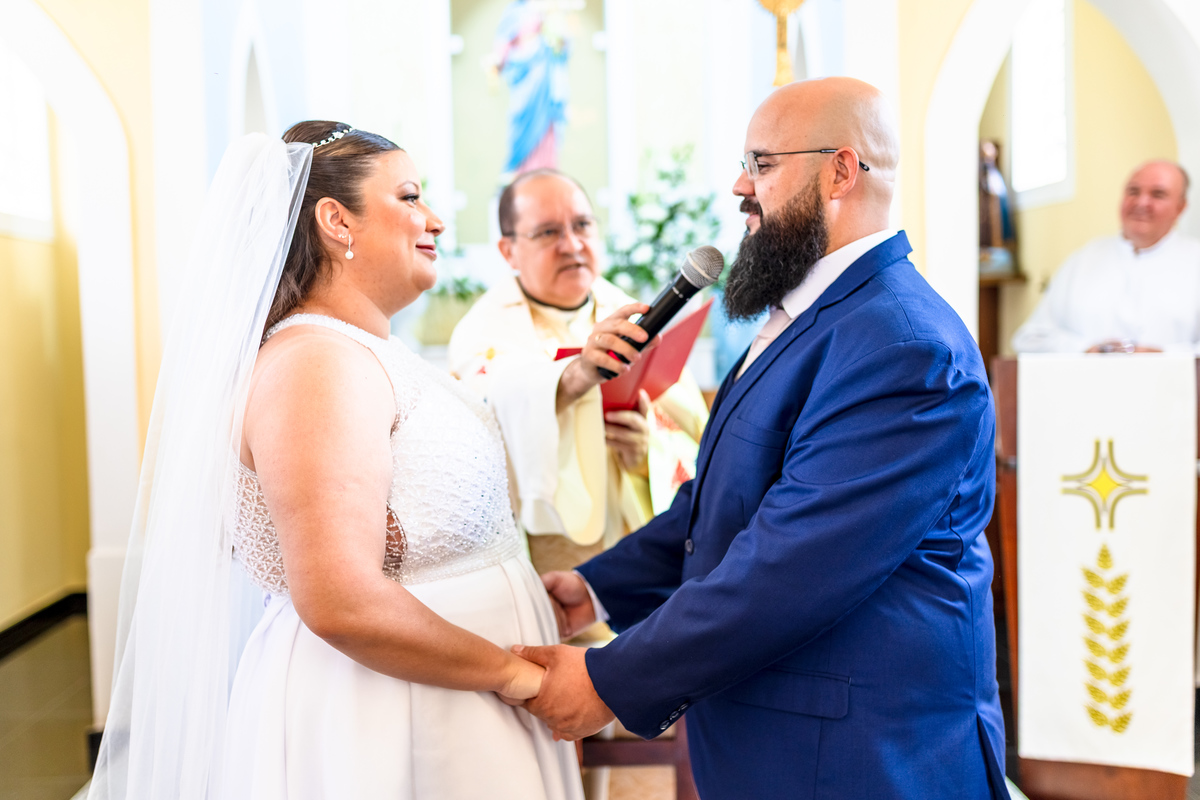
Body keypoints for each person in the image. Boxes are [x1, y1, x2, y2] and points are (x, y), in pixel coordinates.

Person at [515, 78, 1010, 800]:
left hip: (861, 756)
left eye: (762, 163)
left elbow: (793, 563)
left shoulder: (903, 347)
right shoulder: (810, 315)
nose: (740, 185)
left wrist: (609, 680)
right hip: (777, 739)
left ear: (840, 171)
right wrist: (593, 589)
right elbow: (724, 504)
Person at [88, 123, 583, 800]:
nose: (435, 219)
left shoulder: (365, 351)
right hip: (391, 712)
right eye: (409, 196)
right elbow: (340, 598)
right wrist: (516, 675)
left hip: (454, 697)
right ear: (336, 221)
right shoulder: (315, 364)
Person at [448, 169, 708, 576]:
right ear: (508, 250)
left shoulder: (635, 317)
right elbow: (493, 407)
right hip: (557, 569)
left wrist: (647, 454)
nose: (572, 245)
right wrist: (575, 376)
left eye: (583, 225)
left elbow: (698, 437)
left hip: (647, 561)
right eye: (547, 232)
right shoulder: (484, 331)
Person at [1011, 160, 1200, 353]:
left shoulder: (1195, 260)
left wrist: (1163, 355)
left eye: (1158, 194)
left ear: (1181, 207)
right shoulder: (1083, 259)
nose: (1142, 203)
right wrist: (1086, 349)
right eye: (1133, 191)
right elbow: (1029, 339)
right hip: (1085, 372)